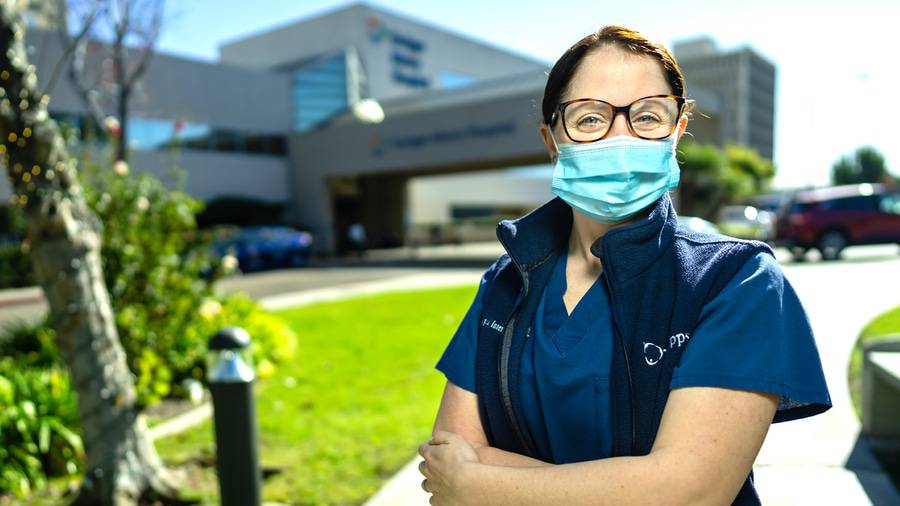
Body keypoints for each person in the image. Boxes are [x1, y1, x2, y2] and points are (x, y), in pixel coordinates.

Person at [417, 25, 831, 506]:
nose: (620, 137)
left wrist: (480, 486)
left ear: (676, 132)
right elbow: (450, 452)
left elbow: (691, 492)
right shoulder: (505, 281)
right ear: (552, 140)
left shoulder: (737, 282)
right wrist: (635, 485)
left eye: (647, 116)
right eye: (590, 119)